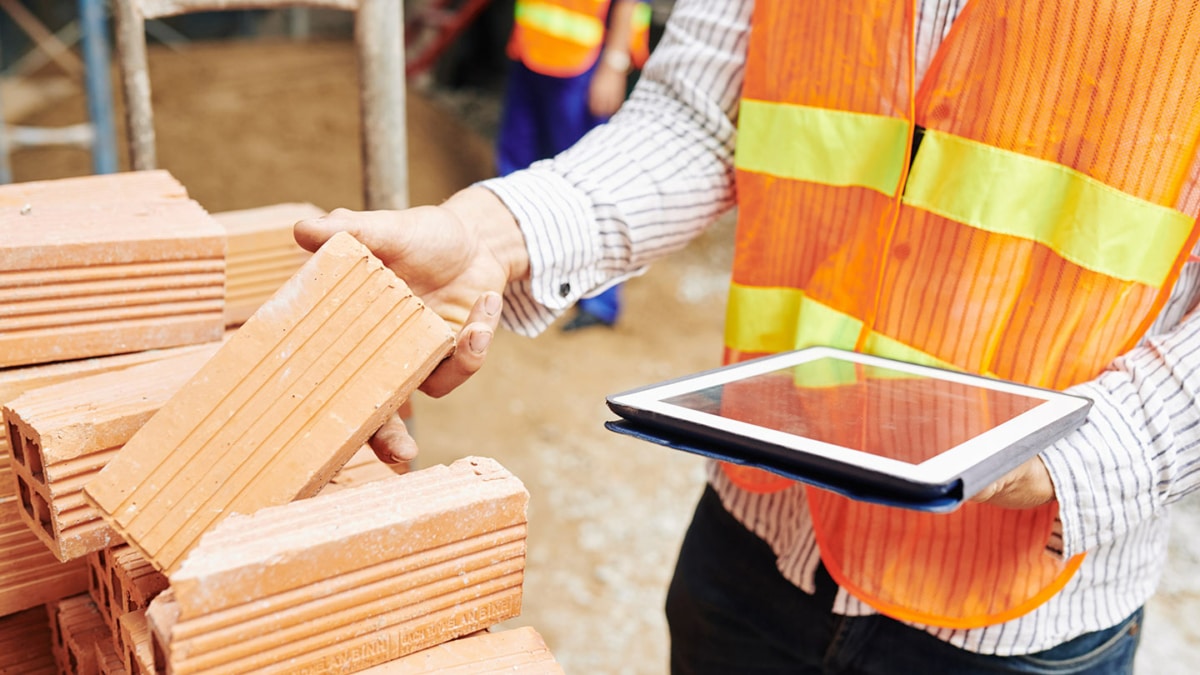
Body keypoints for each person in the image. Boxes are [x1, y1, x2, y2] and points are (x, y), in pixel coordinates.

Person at [295, 1, 1200, 672]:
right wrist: (493, 235)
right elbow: (696, 117)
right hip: (761, 532)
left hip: (1016, 611)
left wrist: (1087, 453)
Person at [496, 0, 652, 330]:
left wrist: (613, 64)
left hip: (584, 64)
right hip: (535, 51)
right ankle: (518, 270)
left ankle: (599, 301)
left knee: (587, 180)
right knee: (518, 164)